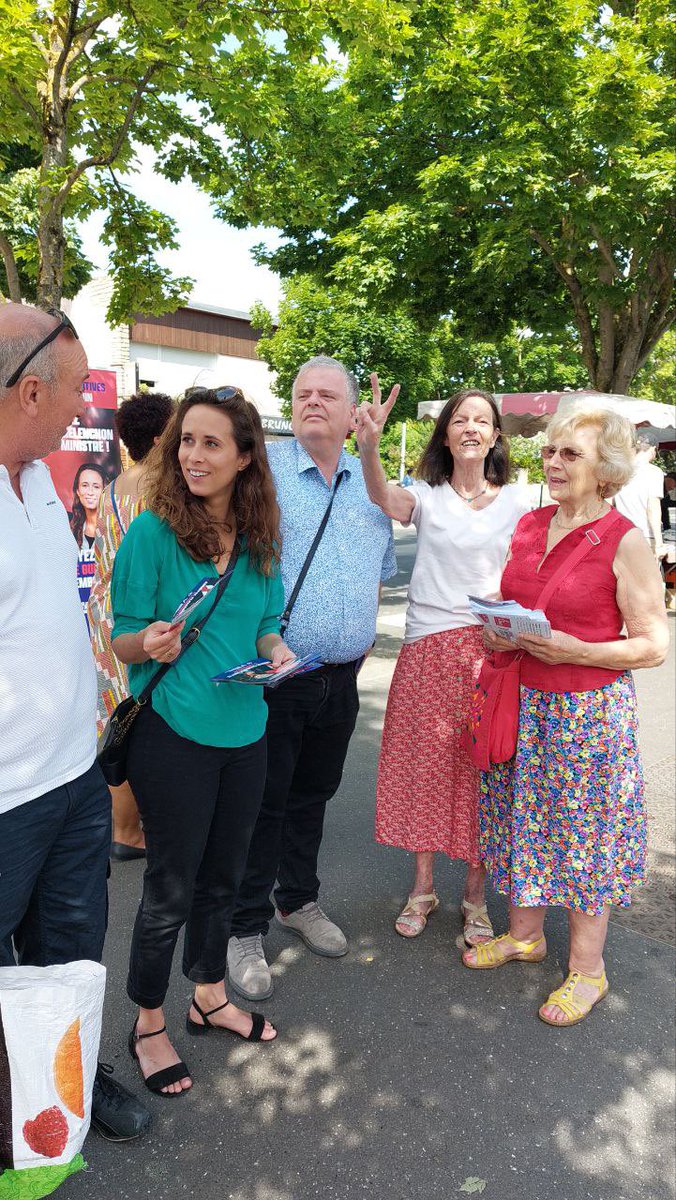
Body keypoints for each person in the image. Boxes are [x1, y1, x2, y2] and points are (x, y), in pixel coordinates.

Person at [111, 386, 292, 1096]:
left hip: (247, 733)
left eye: (212, 443)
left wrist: (276, 651)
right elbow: (123, 631)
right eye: (187, 440)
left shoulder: (260, 538)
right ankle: (148, 1021)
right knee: (171, 889)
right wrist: (148, 640)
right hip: (173, 735)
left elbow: (266, 621)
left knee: (227, 876)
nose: (193, 455)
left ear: (246, 458)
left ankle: (209, 996)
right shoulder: (152, 533)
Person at [463, 406, 669, 1027]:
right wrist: (499, 630)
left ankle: (589, 970)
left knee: (584, 839)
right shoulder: (530, 525)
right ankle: (526, 936)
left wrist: (581, 651)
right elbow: (517, 601)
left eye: (570, 455)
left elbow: (654, 643)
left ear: (605, 469)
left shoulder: (624, 540)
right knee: (524, 820)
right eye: (550, 452)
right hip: (523, 704)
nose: (552, 463)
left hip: (586, 715)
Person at [0, 302, 150, 1141]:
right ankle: (14, 1112)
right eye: (73, 390)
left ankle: (69, 1082)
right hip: (4, 800)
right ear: (28, 392)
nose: (83, 409)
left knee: (71, 957)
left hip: (73, 779)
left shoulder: (35, 483)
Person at [227, 356, 397, 1002]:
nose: (313, 403)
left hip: (342, 677)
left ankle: (297, 901)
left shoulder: (372, 484)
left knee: (313, 796)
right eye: (303, 394)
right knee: (262, 805)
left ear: (353, 411)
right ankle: (244, 929)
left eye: (328, 395)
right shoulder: (262, 472)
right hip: (278, 677)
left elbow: (381, 565)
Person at [355, 384, 530, 944]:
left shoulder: (518, 504)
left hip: (493, 653)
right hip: (428, 648)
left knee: (485, 771)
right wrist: (369, 445)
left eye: (481, 420)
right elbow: (382, 496)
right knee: (425, 769)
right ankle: (423, 888)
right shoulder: (425, 497)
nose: (471, 428)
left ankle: (475, 898)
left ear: (496, 435)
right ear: (447, 434)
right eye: (460, 420)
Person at [88, 391, 174, 861]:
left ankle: (122, 828)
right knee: (139, 720)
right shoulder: (160, 493)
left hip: (102, 618)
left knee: (117, 719)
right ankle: (128, 831)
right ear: (163, 437)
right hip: (133, 621)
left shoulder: (114, 485)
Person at [614, 429, 667, 562]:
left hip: (621, 536)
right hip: (644, 536)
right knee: (646, 581)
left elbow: (611, 503)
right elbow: (653, 507)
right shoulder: (654, 472)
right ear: (653, 449)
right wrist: (660, 544)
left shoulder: (620, 470)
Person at [69, 462, 105, 549]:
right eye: (85, 485)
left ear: (104, 491)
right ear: (77, 491)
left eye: (96, 487)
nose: (90, 492)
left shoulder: (114, 526)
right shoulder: (70, 528)